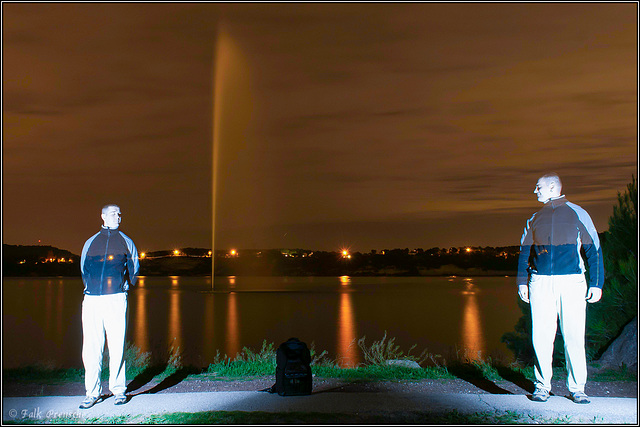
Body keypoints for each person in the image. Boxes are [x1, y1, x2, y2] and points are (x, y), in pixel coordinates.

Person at [517, 173, 604, 404]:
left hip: (572, 281)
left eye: (538, 187)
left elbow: (593, 250)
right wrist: (521, 282)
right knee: (541, 337)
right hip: (541, 282)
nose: (535, 191)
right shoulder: (534, 217)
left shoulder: (577, 213)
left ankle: (577, 388)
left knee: (574, 335)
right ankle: (542, 386)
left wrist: (596, 283)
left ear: (552, 186)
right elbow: (524, 252)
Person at [79, 204, 139, 409]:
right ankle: (92, 393)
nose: (119, 216)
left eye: (120, 213)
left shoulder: (126, 241)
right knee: (91, 348)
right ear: (103, 216)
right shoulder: (91, 242)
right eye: (114, 213)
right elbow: (83, 269)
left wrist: (125, 287)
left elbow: (134, 269)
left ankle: (118, 391)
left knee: (117, 345)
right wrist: (90, 289)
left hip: (116, 298)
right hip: (92, 300)